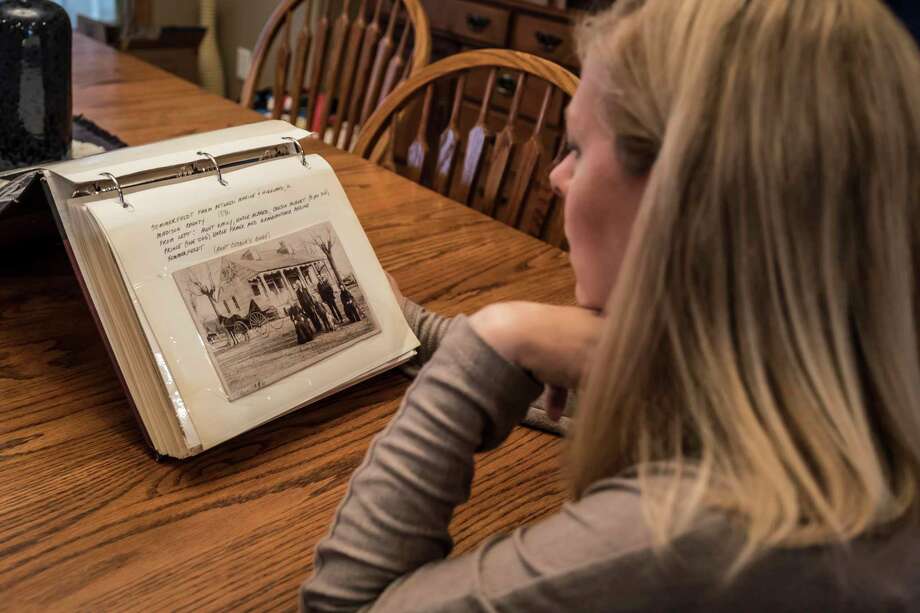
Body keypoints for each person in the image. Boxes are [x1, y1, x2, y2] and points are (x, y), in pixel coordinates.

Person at [301, 1, 920, 610]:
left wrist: (495, 334)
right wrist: (415, 324)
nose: (555, 177)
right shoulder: (849, 396)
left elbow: (347, 602)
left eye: (575, 147)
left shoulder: (690, 534)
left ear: (677, 200)